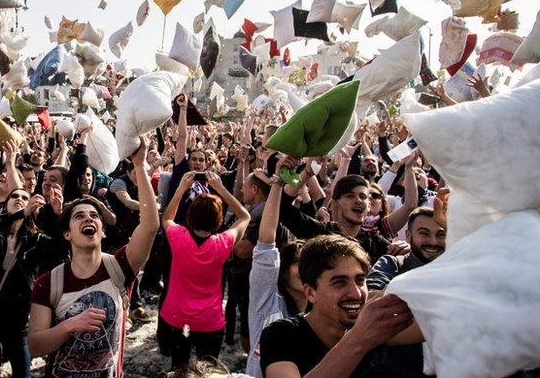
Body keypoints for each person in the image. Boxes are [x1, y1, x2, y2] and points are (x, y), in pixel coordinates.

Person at [27, 136, 160, 378]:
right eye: (79, 216)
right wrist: (69, 325)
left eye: (94, 216)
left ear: (103, 230)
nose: (88, 218)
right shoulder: (49, 283)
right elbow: (35, 346)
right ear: (67, 234)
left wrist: (140, 166)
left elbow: (150, 225)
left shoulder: (120, 267)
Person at [259, 235, 421, 377]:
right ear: (310, 293)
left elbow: (438, 324)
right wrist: (359, 339)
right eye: (339, 283)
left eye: (360, 280)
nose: (356, 294)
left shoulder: (371, 325)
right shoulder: (281, 335)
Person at [159, 169, 250, 371]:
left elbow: (167, 218)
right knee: (209, 371)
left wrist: (181, 189)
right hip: (209, 320)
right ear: (218, 221)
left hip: (178, 316)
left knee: (178, 368)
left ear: (190, 216)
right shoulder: (223, 242)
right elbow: (244, 216)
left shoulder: (178, 236)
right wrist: (221, 189)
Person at [0, 188, 56, 378]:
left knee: (23, 373)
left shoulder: (35, 238)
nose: (20, 199)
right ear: (6, 203)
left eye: (25, 197)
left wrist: (56, 213)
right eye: (15, 196)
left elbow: (59, 249)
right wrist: (21, 214)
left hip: (18, 316)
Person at [246, 157, 307, 378]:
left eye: (311, 264)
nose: (306, 269)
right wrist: (278, 184)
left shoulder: (324, 310)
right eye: (298, 262)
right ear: (282, 271)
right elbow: (266, 242)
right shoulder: (267, 301)